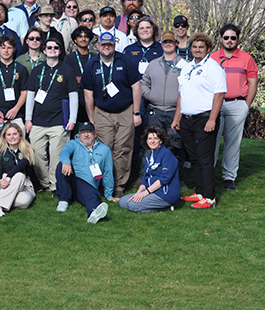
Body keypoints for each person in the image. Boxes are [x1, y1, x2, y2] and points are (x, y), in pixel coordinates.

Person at [81, 31, 142, 198]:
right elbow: (88, 94)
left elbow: (136, 87)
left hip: (125, 111)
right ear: (98, 45)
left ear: (114, 45)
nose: (106, 47)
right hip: (102, 112)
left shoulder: (125, 61)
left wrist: (136, 112)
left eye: (110, 44)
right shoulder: (92, 64)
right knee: (104, 149)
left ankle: (119, 185)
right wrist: (92, 117)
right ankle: (103, 183)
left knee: (123, 149)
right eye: (103, 44)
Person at [172, 33, 226, 209]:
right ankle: (200, 191)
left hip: (204, 118)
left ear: (208, 49)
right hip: (187, 120)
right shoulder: (187, 67)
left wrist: (212, 119)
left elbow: (219, 94)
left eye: (201, 47)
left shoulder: (213, 67)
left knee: (204, 158)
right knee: (194, 158)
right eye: (194, 47)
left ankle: (209, 198)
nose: (197, 50)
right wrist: (177, 118)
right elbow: (182, 94)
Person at [25, 36, 78, 193]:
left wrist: (72, 119)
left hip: (59, 121)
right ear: (44, 51)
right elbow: (30, 96)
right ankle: (44, 182)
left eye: (56, 48)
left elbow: (73, 95)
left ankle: (55, 185)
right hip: (38, 122)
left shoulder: (67, 71)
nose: (52, 50)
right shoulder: (37, 71)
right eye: (49, 48)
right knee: (37, 154)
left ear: (60, 51)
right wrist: (28, 119)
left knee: (57, 155)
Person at [211, 24, 258, 191]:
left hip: (238, 104)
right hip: (216, 104)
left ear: (238, 39)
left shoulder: (247, 58)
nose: (229, 40)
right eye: (226, 37)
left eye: (233, 38)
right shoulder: (212, 57)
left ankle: (229, 177)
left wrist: (246, 105)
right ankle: (208, 175)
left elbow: (253, 83)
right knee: (212, 141)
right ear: (221, 38)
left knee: (233, 143)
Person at [0, 35, 29, 177]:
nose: (6, 51)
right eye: (3, 47)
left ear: (14, 49)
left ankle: (20, 180)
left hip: (15, 115)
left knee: (21, 149)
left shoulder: (21, 69)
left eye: (9, 47)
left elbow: (24, 92)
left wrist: (15, 109)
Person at [55, 121, 116, 224]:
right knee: (61, 165)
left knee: (92, 195)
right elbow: (65, 152)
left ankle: (93, 213)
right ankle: (64, 201)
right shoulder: (73, 143)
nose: (86, 135)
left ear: (95, 134)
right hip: (71, 180)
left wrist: (109, 195)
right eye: (83, 132)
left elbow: (107, 172)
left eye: (89, 132)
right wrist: (66, 162)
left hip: (88, 185)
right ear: (79, 134)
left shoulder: (104, 149)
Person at [141, 31, 184, 173]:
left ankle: (176, 176)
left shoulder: (184, 65)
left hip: (175, 111)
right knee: (151, 143)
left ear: (176, 44)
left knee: (175, 144)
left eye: (171, 42)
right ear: (161, 44)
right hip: (155, 110)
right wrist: (150, 95)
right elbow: (143, 83)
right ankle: (147, 175)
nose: (168, 44)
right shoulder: (153, 64)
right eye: (165, 42)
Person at [0, 123, 36, 217]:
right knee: (19, 175)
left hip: (24, 184)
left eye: (15, 134)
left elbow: (22, 164)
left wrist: (9, 176)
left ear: (20, 135)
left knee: (24, 202)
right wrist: (1, 182)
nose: (12, 137)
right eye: (9, 135)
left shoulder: (28, 150)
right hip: (4, 183)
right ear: (5, 137)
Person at [118, 127, 180, 212]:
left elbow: (165, 178)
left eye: (155, 138)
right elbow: (145, 179)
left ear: (161, 141)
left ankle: (163, 207)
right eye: (150, 138)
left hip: (165, 194)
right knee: (122, 202)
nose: (152, 141)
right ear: (146, 141)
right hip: (152, 191)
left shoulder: (167, 154)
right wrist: (139, 193)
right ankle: (151, 203)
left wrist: (145, 193)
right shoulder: (149, 157)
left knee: (132, 205)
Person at [64, 26, 95, 123]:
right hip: (76, 99)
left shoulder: (95, 57)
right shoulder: (69, 58)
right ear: (75, 40)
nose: (83, 39)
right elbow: (69, 79)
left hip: (94, 98)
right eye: (80, 36)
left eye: (86, 36)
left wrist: (79, 79)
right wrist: (89, 80)